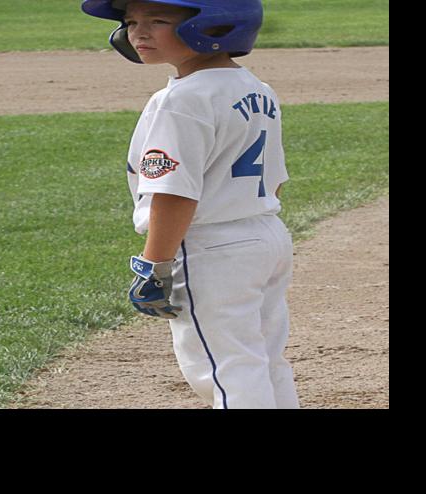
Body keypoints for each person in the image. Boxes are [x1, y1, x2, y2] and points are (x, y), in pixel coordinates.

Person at [83, 0, 298, 409]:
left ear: (216, 26)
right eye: (131, 22)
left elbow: (174, 192)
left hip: (210, 247)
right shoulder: (256, 89)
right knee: (264, 361)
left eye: (158, 21)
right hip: (265, 233)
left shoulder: (182, 99)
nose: (138, 33)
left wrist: (156, 265)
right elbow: (278, 179)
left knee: (225, 369)